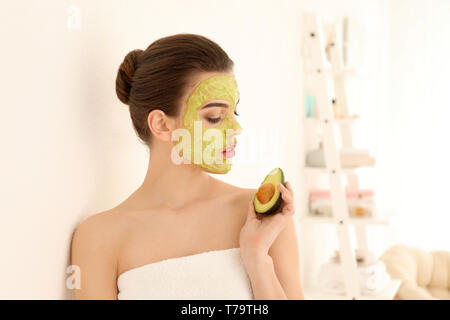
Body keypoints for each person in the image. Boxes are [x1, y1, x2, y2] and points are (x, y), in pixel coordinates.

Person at [71, 33, 304, 300]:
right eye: (215, 117)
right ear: (161, 124)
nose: (236, 128)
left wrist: (257, 256)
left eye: (234, 112)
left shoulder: (263, 218)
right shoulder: (99, 237)